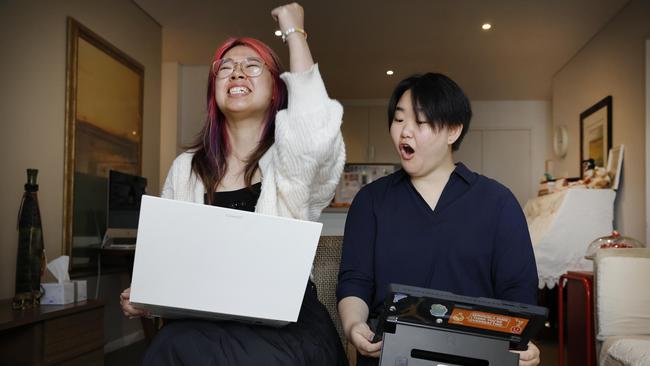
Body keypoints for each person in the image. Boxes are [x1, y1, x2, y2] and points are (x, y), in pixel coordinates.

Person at [119, 3, 347, 365]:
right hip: (205, 323)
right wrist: (148, 296)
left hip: (286, 324)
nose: (237, 72)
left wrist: (294, 32)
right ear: (216, 91)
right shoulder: (186, 170)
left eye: (252, 66)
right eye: (226, 68)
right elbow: (172, 259)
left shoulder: (291, 161)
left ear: (277, 89)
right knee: (168, 346)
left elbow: (315, 132)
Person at [336, 72, 541, 366]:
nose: (405, 131)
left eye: (420, 122)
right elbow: (355, 281)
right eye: (398, 119)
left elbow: (517, 289)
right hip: (391, 353)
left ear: (453, 131)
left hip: (477, 353)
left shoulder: (498, 202)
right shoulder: (371, 200)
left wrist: (522, 342)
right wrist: (354, 326)